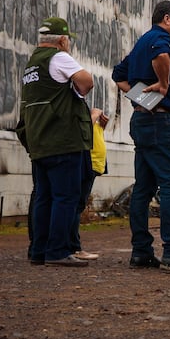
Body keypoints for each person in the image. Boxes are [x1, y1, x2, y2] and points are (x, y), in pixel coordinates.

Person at [111, 1, 170, 273]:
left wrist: (142, 99)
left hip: (143, 119)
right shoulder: (160, 40)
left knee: (144, 187)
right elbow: (161, 56)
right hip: (160, 122)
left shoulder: (143, 41)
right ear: (167, 19)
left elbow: (119, 75)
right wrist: (162, 87)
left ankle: (141, 251)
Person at [17, 16, 94, 267]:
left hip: (39, 141)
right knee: (66, 197)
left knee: (43, 196)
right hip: (63, 139)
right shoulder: (59, 57)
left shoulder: (31, 65)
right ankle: (59, 250)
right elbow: (86, 81)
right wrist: (78, 89)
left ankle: (39, 250)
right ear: (62, 40)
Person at [70, 108, 109, 261]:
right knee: (76, 204)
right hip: (86, 163)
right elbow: (83, 130)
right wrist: (94, 115)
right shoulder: (78, 113)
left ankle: (73, 245)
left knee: (78, 205)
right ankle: (73, 246)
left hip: (93, 165)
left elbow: (92, 132)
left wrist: (101, 124)